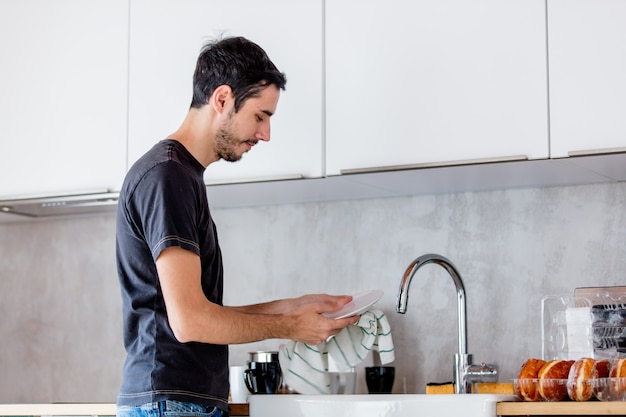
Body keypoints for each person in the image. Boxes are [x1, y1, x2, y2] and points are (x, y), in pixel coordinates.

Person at [115, 36, 357, 417]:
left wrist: (293, 307)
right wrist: (290, 326)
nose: (265, 134)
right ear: (222, 99)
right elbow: (190, 321)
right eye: (260, 116)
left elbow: (199, 311)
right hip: (170, 403)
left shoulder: (181, 176)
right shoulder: (167, 177)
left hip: (178, 402)